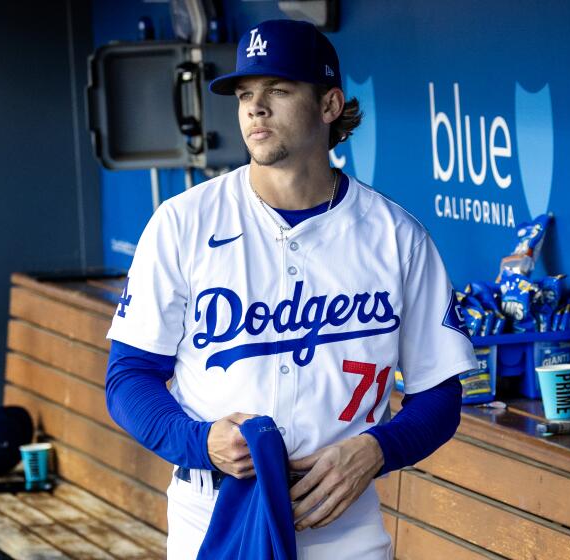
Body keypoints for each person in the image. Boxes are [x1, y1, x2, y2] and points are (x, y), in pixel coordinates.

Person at [104, 19, 478, 559]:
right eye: (245, 94)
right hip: (211, 513)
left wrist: (377, 448)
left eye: (278, 90)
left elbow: (440, 392)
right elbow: (128, 378)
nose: (255, 108)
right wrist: (200, 442)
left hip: (342, 523)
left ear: (329, 106)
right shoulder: (182, 223)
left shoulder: (397, 238)